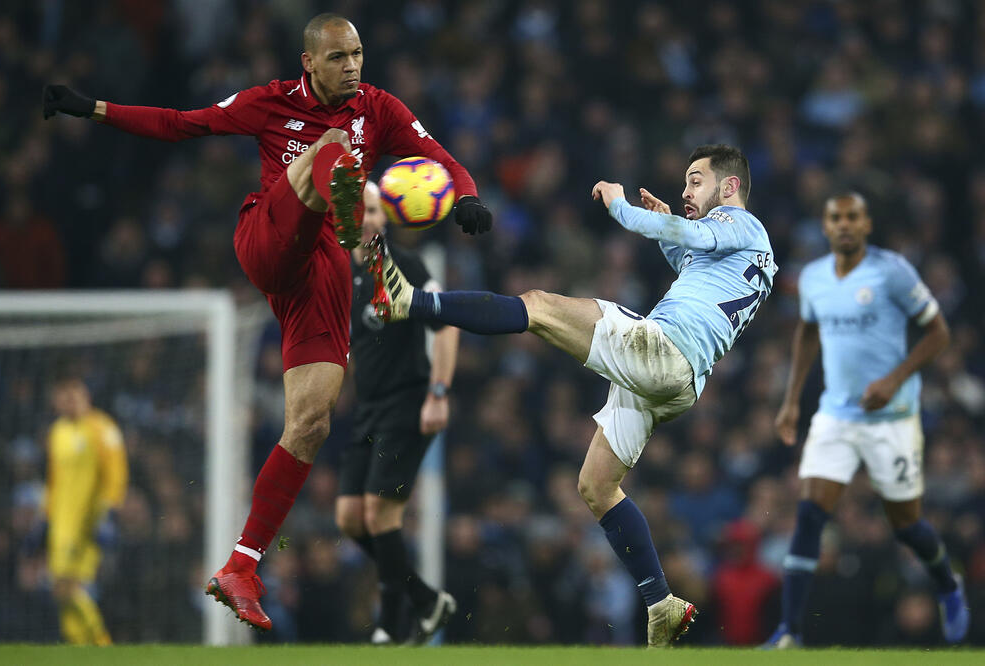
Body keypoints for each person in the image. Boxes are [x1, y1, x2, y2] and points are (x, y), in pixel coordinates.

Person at [41, 13, 491, 631]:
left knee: (310, 422)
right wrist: (90, 108)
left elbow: (441, 159)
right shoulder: (271, 102)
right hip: (271, 237)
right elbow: (181, 124)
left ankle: (242, 565)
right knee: (330, 147)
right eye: (338, 57)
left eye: (358, 54)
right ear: (309, 61)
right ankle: (349, 214)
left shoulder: (380, 108)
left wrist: (466, 196)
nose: (352, 67)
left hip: (323, 269)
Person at [366, 144, 776, 647]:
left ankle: (409, 300)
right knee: (597, 487)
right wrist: (667, 227)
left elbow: (692, 237)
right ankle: (661, 603)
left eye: (696, 181)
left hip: (663, 349)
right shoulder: (747, 248)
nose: (687, 190)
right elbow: (696, 264)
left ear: (729, 187)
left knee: (538, 305)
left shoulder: (741, 222)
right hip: (681, 381)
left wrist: (621, 206)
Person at [765, 192, 969, 647]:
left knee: (905, 524)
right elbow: (808, 333)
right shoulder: (814, 278)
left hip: (891, 417)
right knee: (809, 514)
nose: (844, 224)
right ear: (825, 226)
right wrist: (791, 401)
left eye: (852, 217)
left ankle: (948, 585)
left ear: (866, 224)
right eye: (835, 217)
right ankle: (790, 632)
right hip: (837, 414)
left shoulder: (893, 271)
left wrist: (894, 380)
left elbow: (938, 333)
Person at [335, 182, 460, 644]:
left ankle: (390, 625)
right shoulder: (340, 274)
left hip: (407, 401)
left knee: (379, 513)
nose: (367, 219)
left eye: (373, 211)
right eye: (359, 211)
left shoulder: (403, 267)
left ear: (384, 218)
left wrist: (439, 393)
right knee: (349, 519)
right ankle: (426, 600)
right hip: (368, 410)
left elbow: (446, 325)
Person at [42, 375, 128, 645]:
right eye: (64, 396)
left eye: (75, 394)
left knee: (70, 587)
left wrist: (109, 511)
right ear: (56, 401)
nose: (70, 401)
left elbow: (116, 472)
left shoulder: (102, 427)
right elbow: (54, 479)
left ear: (86, 396)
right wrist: (46, 516)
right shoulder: (57, 431)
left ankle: (101, 644)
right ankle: (78, 647)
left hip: (88, 522)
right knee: (60, 590)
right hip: (61, 523)